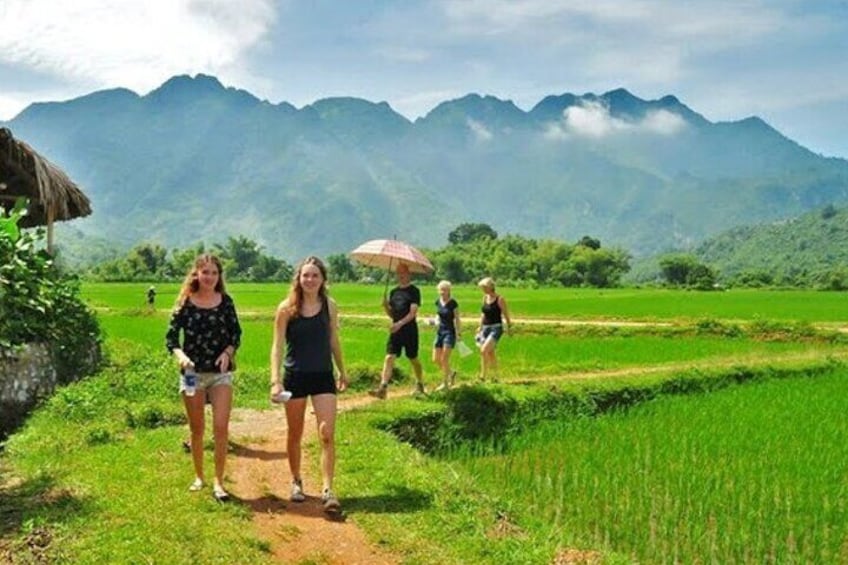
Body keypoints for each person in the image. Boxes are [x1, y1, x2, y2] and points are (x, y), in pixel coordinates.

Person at [270, 256, 348, 513]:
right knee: (295, 432)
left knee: (326, 433)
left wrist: (342, 370)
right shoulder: (286, 308)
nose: (310, 280)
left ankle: (328, 489)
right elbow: (277, 346)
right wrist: (275, 381)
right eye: (306, 275)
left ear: (323, 279)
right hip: (295, 376)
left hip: (323, 375)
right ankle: (296, 481)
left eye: (315, 275)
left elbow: (334, 340)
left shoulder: (330, 306)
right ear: (298, 278)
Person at [166, 254, 241, 502]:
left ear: (219, 277)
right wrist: (180, 356)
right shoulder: (185, 303)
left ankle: (219, 481)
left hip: (220, 375)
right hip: (191, 375)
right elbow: (171, 339)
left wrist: (228, 352)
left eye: (214, 273)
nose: (209, 277)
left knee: (221, 428)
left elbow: (236, 334)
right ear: (196, 274)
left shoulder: (226, 302)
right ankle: (199, 476)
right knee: (197, 428)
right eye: (205, 272)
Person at [370, 263, 425, 399]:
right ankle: (383, 388)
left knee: (413, 358)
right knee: (389, 357)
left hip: (409, 330)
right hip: (396, 330)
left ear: (408, 274)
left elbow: (412, 313)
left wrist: (399, 324)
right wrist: (385, 307)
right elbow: (392, 315)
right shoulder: (394, 292)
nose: (400, 275)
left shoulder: (414, 291)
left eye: (403, 272)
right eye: (398, 273)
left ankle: (419, 383)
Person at [476, 277, 512, 382]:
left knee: (484, 350)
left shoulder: (500, 299)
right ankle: (496, 376)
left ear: (490, 287)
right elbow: (483, 314)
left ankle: (483, 375)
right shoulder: (484, 298)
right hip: (485, 328)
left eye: (485, 287)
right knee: (490, 353)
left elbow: (506, 314)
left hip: (496, 328)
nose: (483, 289)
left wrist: (509, 327)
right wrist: (480, 326)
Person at [432, 280, 460, 391]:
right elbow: (438, 315)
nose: (442, 292)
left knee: (444, 358)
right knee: (435, 359)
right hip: (440, 331)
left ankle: (445, 383)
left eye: (445, 290)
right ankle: (451, 373)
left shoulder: (453, 303)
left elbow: (457, 319)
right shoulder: (437, 302)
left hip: (450, 332)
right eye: (441, 290)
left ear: (449, 291)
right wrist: (435, 321)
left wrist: (458, 333)